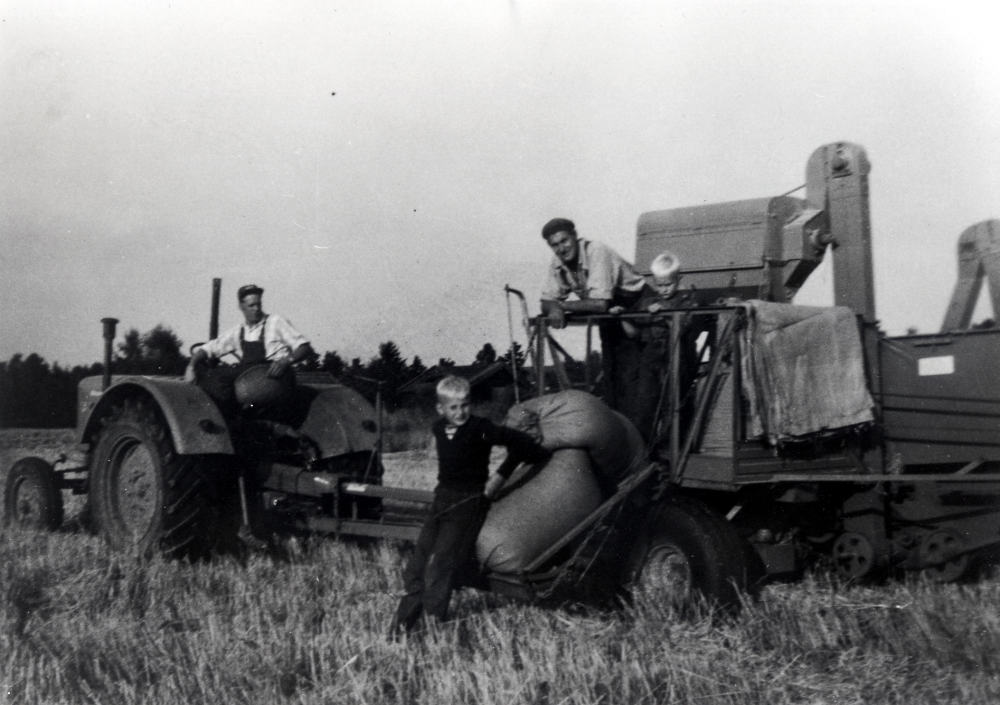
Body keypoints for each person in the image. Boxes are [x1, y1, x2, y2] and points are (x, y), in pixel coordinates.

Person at [391, 375, 551, 636]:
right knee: (417, 564)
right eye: (453, 407)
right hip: (441, 500)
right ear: (440, 409)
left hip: (468, 503)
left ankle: (433, 631)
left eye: (464, 405)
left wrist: (501, 475)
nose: (460, 412)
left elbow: (521, 444)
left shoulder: (481, 428)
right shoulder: (438, 429)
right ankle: (400, 629)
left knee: (441, 566)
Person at [538, 217, 650, 426]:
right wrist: (552, 306)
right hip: (610, 316)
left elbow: (600, 304)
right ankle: (619, 436)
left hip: (638, 307)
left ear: (575, 236)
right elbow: (545, 300)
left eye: (564, 241)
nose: (561, 248)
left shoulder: (596, 251)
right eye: (555, 244)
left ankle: (641, 442)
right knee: (611, 378)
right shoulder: (558, 263)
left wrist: (561, 306)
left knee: (635, 378)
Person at [633, 251, 704, 447]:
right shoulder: (649, 302)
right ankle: (644, 447)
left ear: (678, 280)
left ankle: (672, 448)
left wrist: (665, 316)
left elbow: (685, 328)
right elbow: (636, 319)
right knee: (646, 401)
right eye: (659, 285)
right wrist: (644, 312)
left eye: (668, 284)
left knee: (672, 403)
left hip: (677, 357)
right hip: (651, 357)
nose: (663, 290)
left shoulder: (688, 302)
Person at [183, 284, 315, 386]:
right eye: (251, 305)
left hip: (274, 376)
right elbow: (209, 348)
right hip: (251, 376)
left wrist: (285, 361)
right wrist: (191, 366)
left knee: (217, 378)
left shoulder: (276, 321)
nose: (256, 309)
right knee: (212, 376)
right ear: (241, 306)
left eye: (258, 304)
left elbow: (305, 348)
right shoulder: (238, 331)